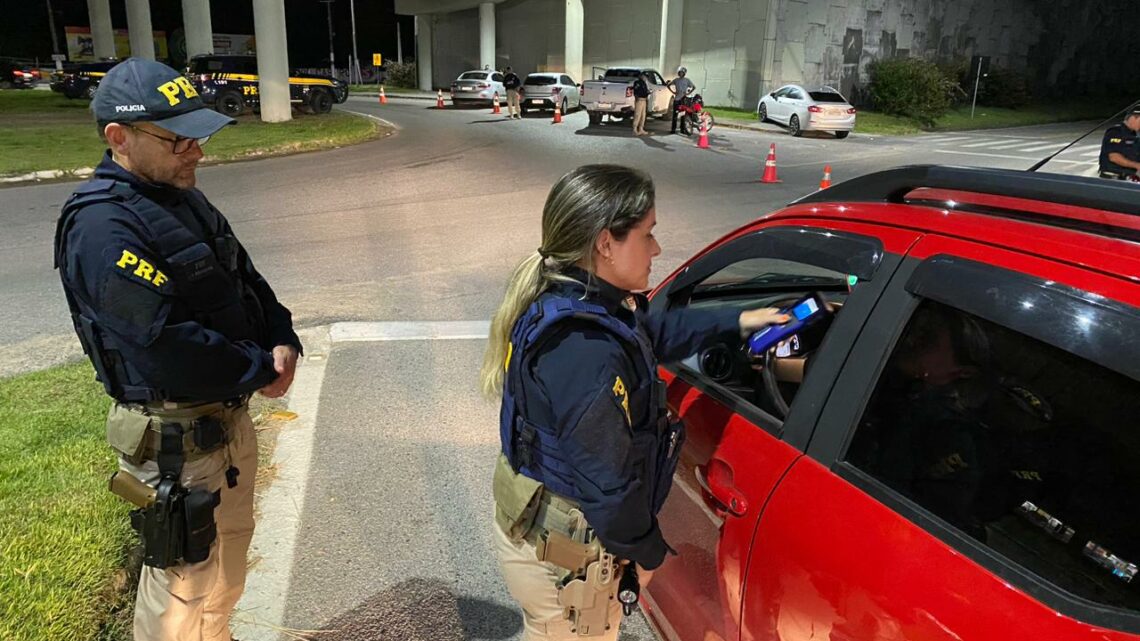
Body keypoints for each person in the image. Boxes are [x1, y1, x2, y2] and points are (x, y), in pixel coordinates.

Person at [481, 164, 789, 640]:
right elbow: (607, 480)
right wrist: (646, 551)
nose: (657, 249)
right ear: (606, 243)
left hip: (543, 537)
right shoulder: (583, 349)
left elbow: (654, 332)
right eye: (647, 235)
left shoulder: (579, 298)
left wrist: (744, 318)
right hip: (560, 560)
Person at [53, 58, 302, 641]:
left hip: (226, 424)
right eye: (179, 138)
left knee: (228, 572)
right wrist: (257, 368)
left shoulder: (183, 199)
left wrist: (281, 335)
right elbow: (164, 345)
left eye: (199, 135)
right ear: (120, 138)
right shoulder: (101, 228)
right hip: (175, 444)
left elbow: (246, 279)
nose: (197, 151)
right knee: (181, 589)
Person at [1098, 107, 1140, 179]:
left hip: (1129, 178)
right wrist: (1137, 165)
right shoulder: (1116, 132)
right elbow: (1114, 157)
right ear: (1133, 118)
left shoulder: (1134, 134)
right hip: (1112, 179)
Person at [666, 66, 695, 135]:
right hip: (677, 99)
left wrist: (688, 93)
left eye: (682, 72)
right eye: (680, 72)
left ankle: (682, 129)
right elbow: (668, 85)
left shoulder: (687, 80)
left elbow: (693, 87)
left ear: (684, 73)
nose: (681, 74)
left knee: (683, 115)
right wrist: (673, 92)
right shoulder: (676, 80)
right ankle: (673, 129)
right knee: (675, 115)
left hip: (683, 100)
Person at [631, 72, 650, 136]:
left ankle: (641, 129)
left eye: (646, 77)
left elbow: (645, 91)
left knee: (643, 115)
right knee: (637, 115)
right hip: (639, 100)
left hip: (644, 100)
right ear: (641, 76)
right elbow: (636, 91)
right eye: (645, 76)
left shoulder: (644, 83)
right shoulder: (637, 82)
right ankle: (635, 129)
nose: (646, 78)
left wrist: (648, 92)